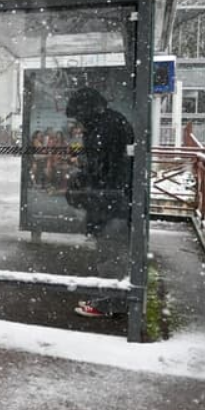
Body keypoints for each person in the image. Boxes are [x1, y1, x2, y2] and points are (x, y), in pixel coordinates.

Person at [63, 86, 135, 318]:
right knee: (112, 253)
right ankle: (110, 299)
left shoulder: (103, 129)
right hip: (117, 199)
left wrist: (79, 172)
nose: (78, 123)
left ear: (87, 111)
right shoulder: (113, 122)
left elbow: (102, 168)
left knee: (110, 254)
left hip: (110, 201)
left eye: (78, 116)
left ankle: (110, 303)